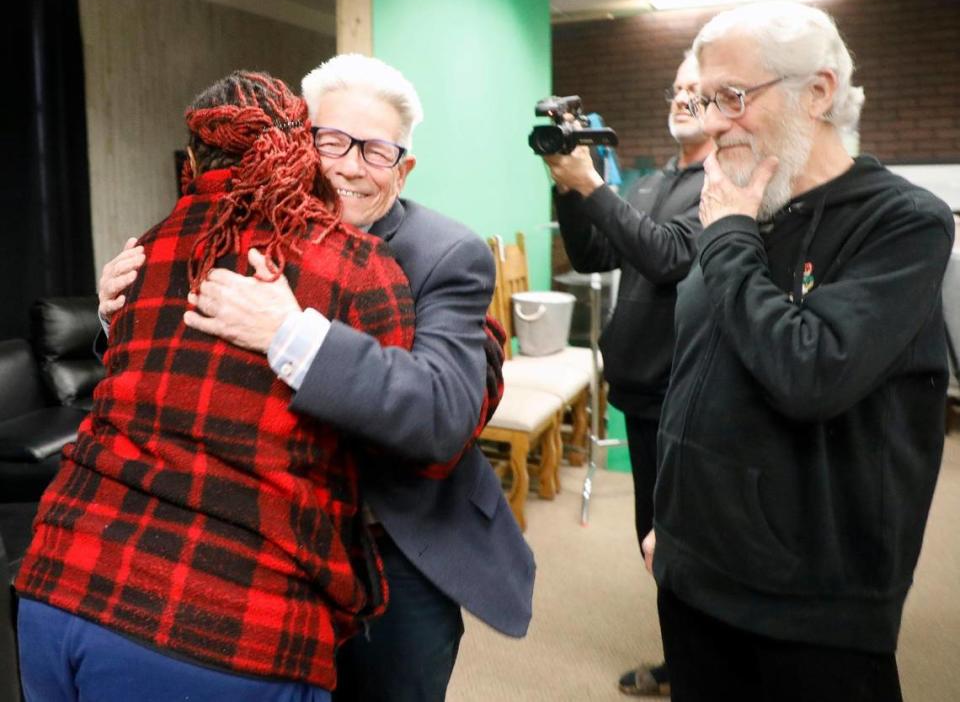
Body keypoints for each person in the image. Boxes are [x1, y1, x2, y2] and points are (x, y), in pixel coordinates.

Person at [97, 53, 534, 702]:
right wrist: (117, 313)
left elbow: (444, 411)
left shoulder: (446, 254)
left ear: (403, 168)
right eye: (330, 140)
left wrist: (290, 334)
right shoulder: (238, 229)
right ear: (295, 145)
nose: (349, 166)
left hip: (394, 545)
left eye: (376, 151)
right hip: (269, 545)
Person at [15, 71, 420, 701]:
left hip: (57, 581)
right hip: (225, 622)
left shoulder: (146, 249)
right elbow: (408, 438)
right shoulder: (357, 266)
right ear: (298, 143)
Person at [648, 1, 955, 702]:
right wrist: (674, 522)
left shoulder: (903, 223)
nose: (713, 121)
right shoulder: (738, 209)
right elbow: (695, 376)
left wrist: (726, 237)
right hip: (695, 574)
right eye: (703, 99)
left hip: (811, 607)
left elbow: (809, 372)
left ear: (817, 92)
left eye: (732, 97)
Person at [544, 54, 714, 697]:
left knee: (690, 547)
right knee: (656, 544)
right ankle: (686, 665)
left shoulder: (726, 184)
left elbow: (669, 256)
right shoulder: (649, 183)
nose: (681, 99)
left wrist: (593, 187)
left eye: (696, 92)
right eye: (675, 90)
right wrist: (568, 185)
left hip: (687, 397)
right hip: (641, 393)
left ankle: (706, 673)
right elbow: (594, 253)